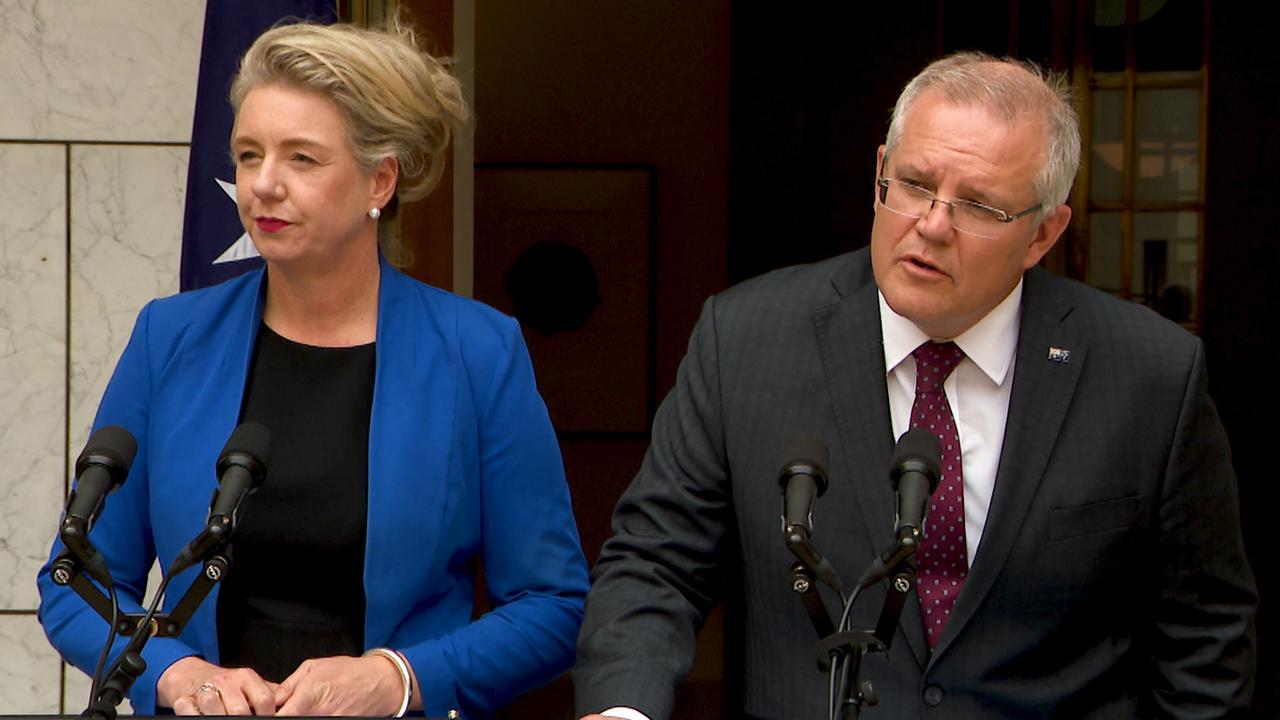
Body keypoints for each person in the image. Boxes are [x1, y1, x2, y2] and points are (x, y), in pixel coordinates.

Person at [574, 52, 1257, 719]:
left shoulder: (1149, 374)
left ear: (1043, 234)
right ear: (879, 174)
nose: (932, 225)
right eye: (915, 185)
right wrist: (623, 707)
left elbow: (1203, 637)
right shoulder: (747, 339)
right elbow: (655, 565)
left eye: (980, 206)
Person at [37, 14, 588, 718]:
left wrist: (399, 678)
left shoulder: (478, 354)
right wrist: (175, 676)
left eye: (301, 158)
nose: (262, 185)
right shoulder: (169, 338)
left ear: (378, 182)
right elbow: (72, 583)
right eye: (248, 155)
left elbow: (551, 605)